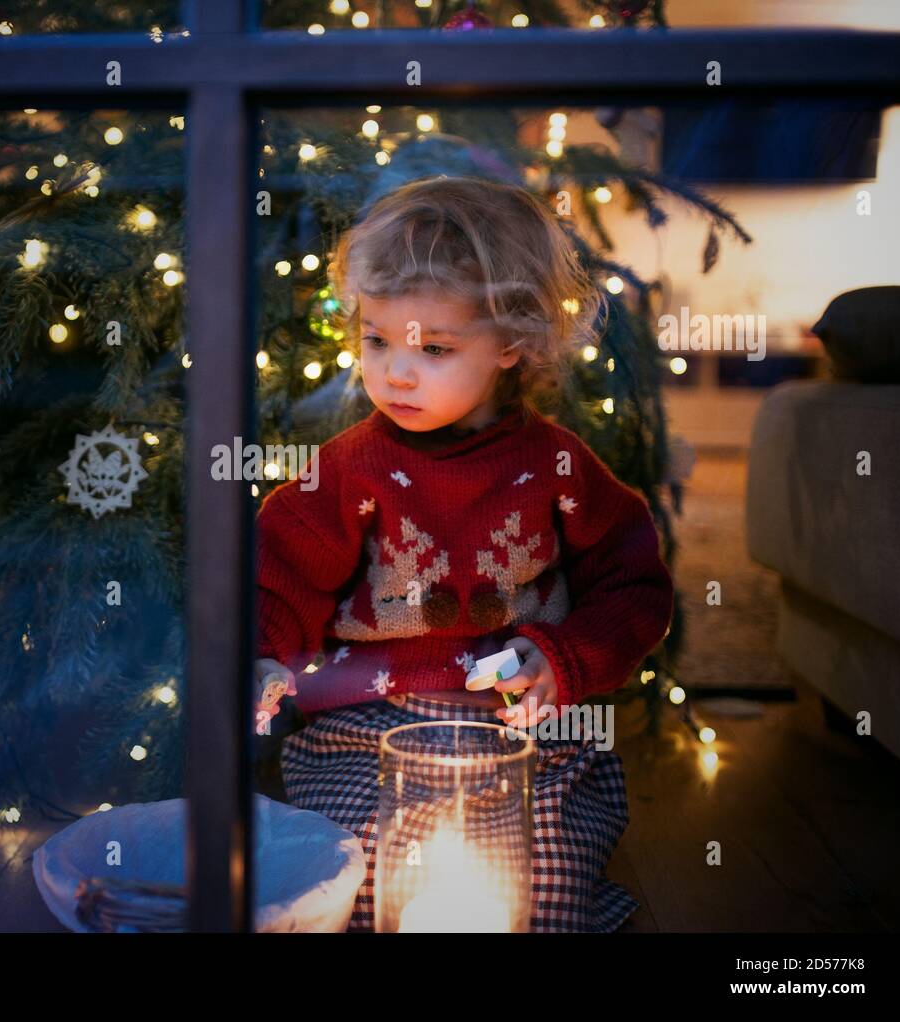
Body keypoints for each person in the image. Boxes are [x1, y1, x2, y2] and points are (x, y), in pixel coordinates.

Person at [254, 175, 674, 932]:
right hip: (369, 729)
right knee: (367, 872)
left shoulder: (559, 470)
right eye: (375, 339)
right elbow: (280, 570)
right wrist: (266, 655)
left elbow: (633, 586)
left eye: (433, 348)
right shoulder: (350, 468)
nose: (394, 371)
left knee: (534, 886)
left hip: (526, 740)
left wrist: (563, 660)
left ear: (512, 343)